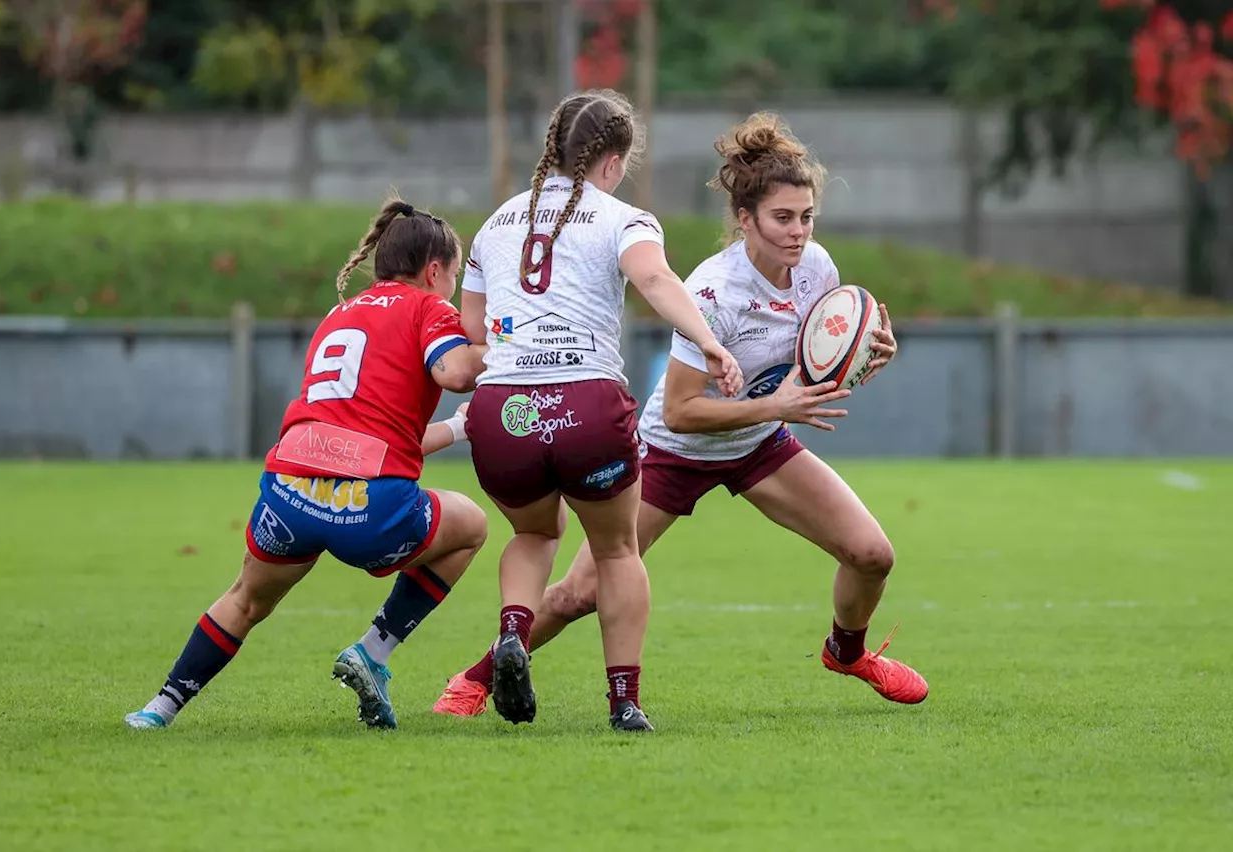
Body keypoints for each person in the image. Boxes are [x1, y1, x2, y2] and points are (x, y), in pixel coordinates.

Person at [434, 112, 927, 719]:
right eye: (782, 219)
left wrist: (869, 349)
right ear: (745, 220)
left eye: (806, 218)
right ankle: (477, 677)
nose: (798, 233)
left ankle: (845, 653)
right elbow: (682, 411)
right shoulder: (713, 294)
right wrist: (777, 406)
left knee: (872, 554)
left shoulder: (817, 269)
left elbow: (824, 352)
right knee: (579, 592)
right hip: (672, 453)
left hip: (758, 444)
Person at [125, 198, 490, 731]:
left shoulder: (340, 314)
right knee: (472, 525)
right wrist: (516, 347)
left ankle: (158, 709)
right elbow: (457, 371)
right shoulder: (427, 308)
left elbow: (369, 438)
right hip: (368, 508)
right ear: (434, 271)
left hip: (291, 490)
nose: (453, 288)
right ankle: (374, 651)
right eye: (455, 275)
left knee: (245, 599)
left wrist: (457, 430)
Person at [453, 88, 743, 733]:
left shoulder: (496, 224)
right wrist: (710, 342)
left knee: (534, 534)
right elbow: (657, 281)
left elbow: (473, 330)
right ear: (613, 160)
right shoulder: (624, 218)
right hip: (588, 405)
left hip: (504, 413)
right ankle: (624, 702)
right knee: (615, 552)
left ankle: (512, 630)